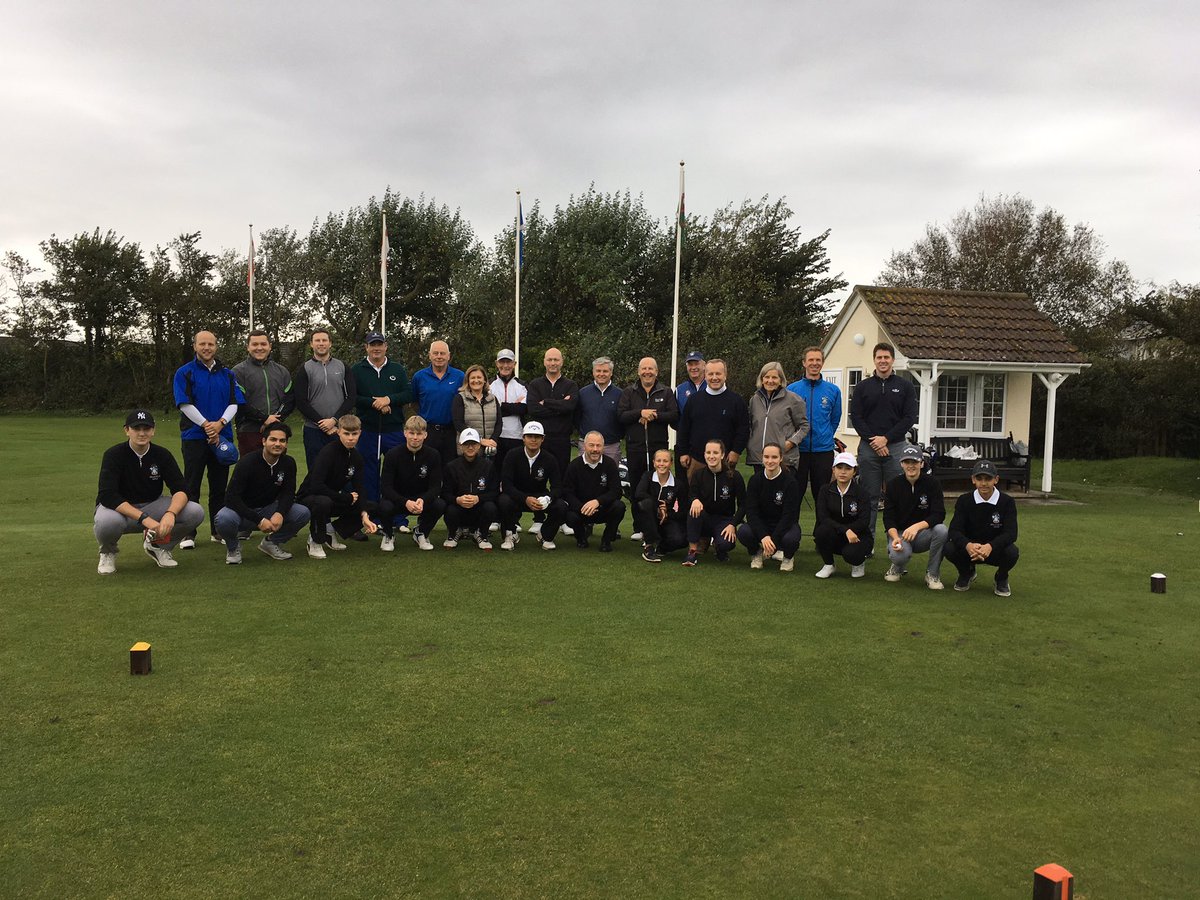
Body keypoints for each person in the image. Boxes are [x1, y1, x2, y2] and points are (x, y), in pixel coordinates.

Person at [94, 409, 206, 573]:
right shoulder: (113, 455)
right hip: (119, 510)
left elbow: (181, 489)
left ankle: (158, 546)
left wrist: (171, 514)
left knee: (194, 511)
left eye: (146, 429)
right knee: (107, 523)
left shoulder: (162, 454)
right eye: (136, 429)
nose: (141, 433)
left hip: (152, 504)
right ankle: (107, 553)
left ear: (153, 430)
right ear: (127, 430)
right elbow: (107, 495)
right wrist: (145, 519)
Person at [172, 329, 245, 548]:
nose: (206, 348)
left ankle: (217, 531)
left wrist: (220, 424)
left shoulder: (228, 374)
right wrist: (205, 425)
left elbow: (235, 402)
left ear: (216, 346)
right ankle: (188, 533)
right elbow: (184, 403)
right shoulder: (185, 372)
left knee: (219, 487)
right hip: (194, 436)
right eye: (202, 344)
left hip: (221, 437)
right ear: (195, 346)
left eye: (210, 344)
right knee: (191, 485)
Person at [213, 421, 310, 564]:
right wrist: (259, 520)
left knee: (303, 512)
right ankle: (233, 548)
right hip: (243, 513)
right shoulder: (247, 462)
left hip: (268, 509)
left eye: (282, 440)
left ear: (286, 444)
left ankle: (271, 543)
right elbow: (231, 498)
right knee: (223, 518)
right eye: (273, 439)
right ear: (264, 441)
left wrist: (280, 513)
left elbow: (288, 493)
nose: (278, 444)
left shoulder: (288, 463)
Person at [850, 342, 917, 541]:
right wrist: (874, 441)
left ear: (892, 360)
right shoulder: (863, 387)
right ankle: (867, 541)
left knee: (896, 497)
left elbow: (909, 418)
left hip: (895, 448)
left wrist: (886, 439)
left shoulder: (905, 386)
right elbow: (856, 417)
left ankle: (896, 543)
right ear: (874, 360)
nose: (883, 361)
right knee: (869, 497)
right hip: (869, 449)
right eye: (879, 357)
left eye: (886, 357)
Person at [296, 414, 378, 559]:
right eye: (346, 433)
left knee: (371, 506)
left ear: (360, 433)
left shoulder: (356, 457)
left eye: (354, 434)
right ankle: (315, 541)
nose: (351, 438)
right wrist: (344, 497)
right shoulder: (328, 452)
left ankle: (330, 531)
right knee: (323, 502)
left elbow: (360, 488)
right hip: (308, 498)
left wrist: (364, 514)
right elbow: (316, 486)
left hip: (331, 498)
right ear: (338, 431)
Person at [351, 332, 412, 514]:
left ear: (386, 346)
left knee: (398, 472)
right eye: (372, 344)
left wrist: (388, 399)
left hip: (393, 430)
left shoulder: (397, 369)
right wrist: (374, 403)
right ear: (366, 347)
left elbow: (408, 394)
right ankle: (373, 516)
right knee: (369, 473)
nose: (376, 348)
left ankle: (399, 518)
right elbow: (352, 397)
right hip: (368, 430)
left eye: (379, 344)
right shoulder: (357, 370)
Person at [946, 459, 1020, 596]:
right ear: (973, 480)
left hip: (994, 550)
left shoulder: (1007, 502)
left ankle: (1001, 578)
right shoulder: (964, 500)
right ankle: (966, 573)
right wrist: (968, 545)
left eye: (988, 479)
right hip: (970, 551)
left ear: (996, 480)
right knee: (949, 548)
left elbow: (1011, 533)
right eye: (979, 479)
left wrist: (990, 546)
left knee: (1012, 552)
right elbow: (954, 530)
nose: (984, 483)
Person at [881, 444, 948, 590]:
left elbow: (939, 514)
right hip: (900, 534)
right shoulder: (893, 485)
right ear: (901, 464)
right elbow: (888, 518)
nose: (911, 466)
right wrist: (895, 537)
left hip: (923, 534)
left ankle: (932, 573)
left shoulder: (932, 483)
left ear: (921, 463)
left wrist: (916, 527)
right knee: (900, 556)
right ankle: (897, 566)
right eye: (907, 462)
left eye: (915, 462)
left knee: (942, 530)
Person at [497, 421, 568, 552]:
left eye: (537, 437)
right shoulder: (512, 455)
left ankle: (546, 535)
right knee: (503, 500)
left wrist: (548, 498)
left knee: (560, 506)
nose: (533, 440)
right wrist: (525, 499)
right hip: (517, 496)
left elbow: (558, 487)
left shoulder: (550, 459)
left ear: (543, 439)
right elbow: (507, 485)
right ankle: (510, 534)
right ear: (523, 438)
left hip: (540, 497)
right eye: (529, 436)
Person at [378, 415, 445, 552]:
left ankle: (421, 533)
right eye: (411, 433)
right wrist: (405, 502)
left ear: (425, 435)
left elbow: (436, 487)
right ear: (405, 433)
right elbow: (386, 487)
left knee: (440, 504)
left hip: (420, 500)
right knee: (384, 506)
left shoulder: (433, 455)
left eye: (419, 434)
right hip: (398, 499)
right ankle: (388, 535)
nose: (415, 437)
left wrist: (422, 500)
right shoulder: (392, 454)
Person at [676, 358, 750, 481]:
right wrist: (683, 452)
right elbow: (684, 428)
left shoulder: (736, 401)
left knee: (724, 497)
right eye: (710, 374)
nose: (714, 377)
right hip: (697, 460)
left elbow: (743, 429)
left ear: (725, 375)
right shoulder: (694, 400)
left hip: (725, 460)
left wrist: (736, 451)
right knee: (696, 498)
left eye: (718, 374)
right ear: (705, 375)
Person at [618, 356, 679, 506]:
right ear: (638, 372)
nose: (647, 372)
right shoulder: (629, 392)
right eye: (644, 369)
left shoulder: (666, 392)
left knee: (658, 488)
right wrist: (640, 413)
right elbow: (621, 415)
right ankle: (638, 527)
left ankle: (659, 525)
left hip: (658, 450)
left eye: (650, 368)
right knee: (636, 488)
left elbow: (674, 415)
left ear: (656, 372)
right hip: (635, 449)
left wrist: (654, 415)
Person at [293, 328, 357, 470]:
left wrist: (334, 420)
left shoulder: (342, 366)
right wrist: (322, 423)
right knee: (316, 471)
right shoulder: (305, 368)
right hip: (313, 430)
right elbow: (301, 401)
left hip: (339, 429)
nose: (321, 343)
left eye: (324, 340)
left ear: (330, 344)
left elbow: (351, 397)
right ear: (311, 344)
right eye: (317, 340)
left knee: (341, 470)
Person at [787, 346, 842, 505]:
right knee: (794, 495)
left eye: (818, 360)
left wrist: (825, 435)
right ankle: (791, 530)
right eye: (811, 360)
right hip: (798, 450)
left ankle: (822, 530)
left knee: (822, 497)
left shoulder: (833, 390)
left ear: (822, 363)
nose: (814, 363)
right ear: (804, 363)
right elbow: (787, 419)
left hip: (823, 451)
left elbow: (835, 419)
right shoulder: (792, 389)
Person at [738, 442, 802, 572]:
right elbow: (751, 512)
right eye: (766, 457)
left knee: (792, 538)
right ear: (762, 458)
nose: (770, 461)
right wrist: (763, 536)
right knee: (743, 531)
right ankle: (756, 553)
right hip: (763, 524)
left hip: (783, 525)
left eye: (774, 457)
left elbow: (789, 516)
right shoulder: (755, 480)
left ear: (781, 458)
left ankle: (788, 557)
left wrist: (773, 539)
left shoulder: (790, 482)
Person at [682, 439, 746, 567]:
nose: (711, 456)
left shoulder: (734, 476)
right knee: (694, 510)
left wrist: (733, 524)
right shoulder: (698, 475)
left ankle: (720, 548)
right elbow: (691, 495)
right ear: (704, 455)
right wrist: (694, 500)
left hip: (724, 520)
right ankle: (692, 551)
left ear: (722, 455)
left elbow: (743, 504)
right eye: (708, 453)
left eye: (715, 453)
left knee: (726, 544)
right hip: (704, 518)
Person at [231, 329, 294, 455]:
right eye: (255, 344)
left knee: (276, 471)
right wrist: (264, 418)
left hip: (276, 432)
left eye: (263, 344)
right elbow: (240, 403)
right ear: (248, 347)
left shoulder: (282, 371)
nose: (259, 348)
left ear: (270, 346)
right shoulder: (238, 371)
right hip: (249, 430)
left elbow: (290, 399)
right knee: (250, 471)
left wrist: (274, 420)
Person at [561, 431, 626, 551]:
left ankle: (606, 541)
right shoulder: (574, 466)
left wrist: (598, 501)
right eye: (591, 445)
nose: (595, 449)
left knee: (619, 507)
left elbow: (616, 491)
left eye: (598, 445)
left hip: (602, 509)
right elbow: (567, 492)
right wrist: (582, 507)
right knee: (569, 515)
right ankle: (581, 538)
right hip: (581, 510)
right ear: (584, 446)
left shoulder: (610, 464)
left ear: (603, 446)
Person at [813, 451, 873, 578]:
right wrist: (845, 530)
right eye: (839, 468)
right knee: (821, 531)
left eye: (848, 468)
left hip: (857, 535)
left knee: (852, 554)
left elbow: (864, 521)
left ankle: (858, 563)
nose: (843, 472)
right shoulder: (825, 490)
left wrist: (850, 531)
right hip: (837, 533)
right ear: (833, 470)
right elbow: (823, 517)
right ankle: (829, 564)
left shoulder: (862, 493)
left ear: (854, 471)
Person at [440, 428, 499, 550]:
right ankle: (453, 533)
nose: (470, 447)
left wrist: (478, 498)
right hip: (459, 508)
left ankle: (481, 534)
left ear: (478, 446)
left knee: (490, 507)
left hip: (479, 508)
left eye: (473, 444)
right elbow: (445, 493)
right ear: (461, 446)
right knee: (449, 508)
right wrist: (458, 500)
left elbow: (495, 492)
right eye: (466, 444)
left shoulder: (488, 466)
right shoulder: (451, 466)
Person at [747, 361, 809, 473]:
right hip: (759, 458)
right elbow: (751, 425)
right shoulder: (754, 400)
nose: (770, 381)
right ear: (761, 379)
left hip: (784, 458)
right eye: (767, 377)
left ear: (781, 380)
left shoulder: (793, 400)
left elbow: (804, 426)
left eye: (774, 377)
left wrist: (790, 442)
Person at [409, 339, 464, 464]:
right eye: (436, 353)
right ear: (430, 355)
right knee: (426, 469)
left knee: (449, 470)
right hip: (428, 431)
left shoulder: (460, 376)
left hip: (451, 432)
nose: (439, 356)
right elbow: (414, 402)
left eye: (442, 353)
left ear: (448, 356)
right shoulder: (419, 376)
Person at [526, 347, 579, 471]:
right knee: (538, 476)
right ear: (544, 362)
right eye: (549, 360)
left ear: (562, 362)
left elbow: (570, 406)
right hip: (540, 439)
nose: (553, 363)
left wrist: (545, 402)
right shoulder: (535, 384)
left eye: (556, 360)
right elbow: (533, 409)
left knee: (562, 477)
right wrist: (560, 407)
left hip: (562, 440)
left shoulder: (571, 385)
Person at [634, 448, 688, 563]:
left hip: (667, 520)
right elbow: (639, 494)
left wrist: (667, 514)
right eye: (658, 461)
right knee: (646, 503)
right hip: (649, 518)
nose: (661, 464)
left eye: (665, 461)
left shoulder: (678, 485)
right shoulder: (647, 477)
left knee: (681, 540)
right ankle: (649, 546)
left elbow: (684, 512)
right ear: (653, 462)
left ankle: (661, 547)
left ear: (671, 463)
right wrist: (658, 506)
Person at [575, 356, 623, 463]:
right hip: (586, 445)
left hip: (611, 446)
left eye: (605, 371)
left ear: (611, 372)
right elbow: (577, 417)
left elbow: (622, 418)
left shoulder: (620, 394)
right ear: (593, 372)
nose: (601, 374)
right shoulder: (583, 393)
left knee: (610, 477)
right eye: (598, 371)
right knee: (585, 477)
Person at [451, 364, 502, 456]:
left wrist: (492, 441)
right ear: (468, 381)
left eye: (479, 377)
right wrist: (480, 440)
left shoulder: (493, 399)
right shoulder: (460, 398)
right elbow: (458, 423)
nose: (476, 380)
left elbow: (499, 423)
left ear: (484, 380)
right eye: (473, 378)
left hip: (490, 450)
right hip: (468, 450)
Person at [490, 348, 528, 471]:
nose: (505, 365)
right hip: (495, 436)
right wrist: (513, 406)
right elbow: (491, 410)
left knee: (514, 472)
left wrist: (502, 405)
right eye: (502, 362)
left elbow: (524, 409)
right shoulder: (489, 385)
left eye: (509, 362)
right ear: (497, 363)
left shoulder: (523, 385)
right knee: (495, 472)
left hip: (516, 436)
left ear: (514, 364)